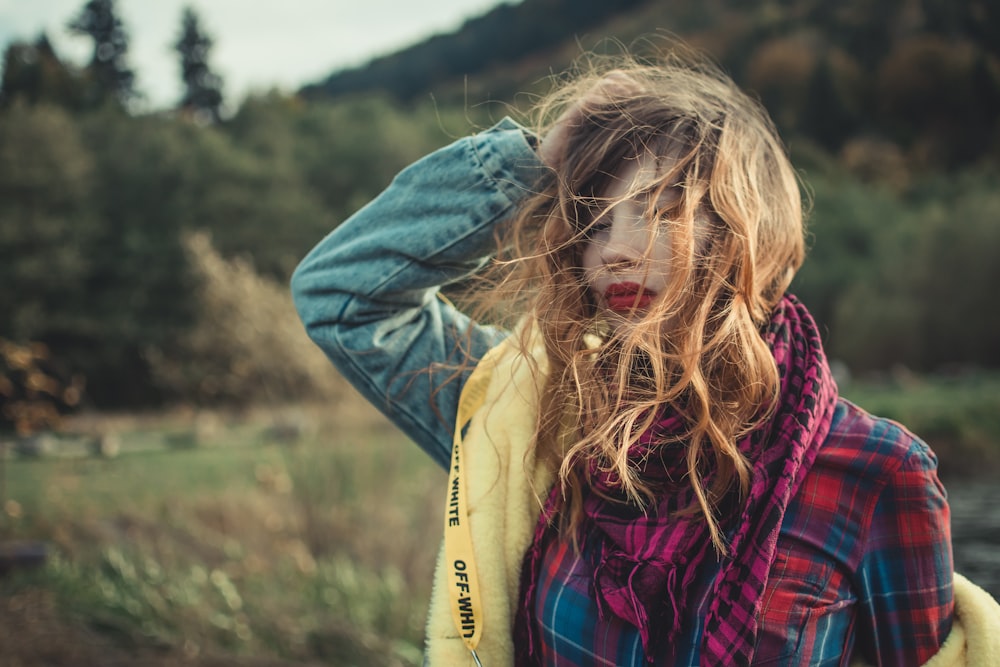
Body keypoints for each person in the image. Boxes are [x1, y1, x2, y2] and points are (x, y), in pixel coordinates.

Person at [292, 49, 994, 666]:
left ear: (749, 230)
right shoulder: (532, 421)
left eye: (659, 209)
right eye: (594, 221)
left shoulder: (879, 473)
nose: (616, 249)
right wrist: (532, 163)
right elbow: (342, 296)